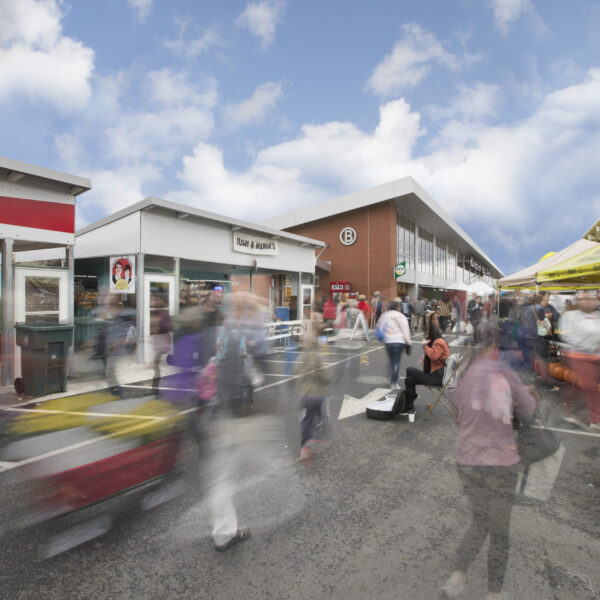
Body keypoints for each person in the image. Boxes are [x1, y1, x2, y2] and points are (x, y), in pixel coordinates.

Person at [440, 319, 536, 600]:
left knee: (481, 519)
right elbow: (528, 409)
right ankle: (494, 593)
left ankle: (457, 577)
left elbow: (455, 411)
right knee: (500, 530)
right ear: (497, 342)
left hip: (467, 459)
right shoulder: (504, 372)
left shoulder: (464, 371)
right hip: (502, 461)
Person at [296, 320, 332, 461]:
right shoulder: (319, 357)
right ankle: (316, 436)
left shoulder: (301, 357)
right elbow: (327, 376)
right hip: (319, 395)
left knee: (306, 420)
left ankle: (305, 447)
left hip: (306, 395)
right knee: (321, 417)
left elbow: (297, 371)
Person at [403, 316, 450, 414]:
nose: (425, 336)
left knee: (409, 369)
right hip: (437, 375)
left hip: (438, 377)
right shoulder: (438, 341)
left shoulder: (439, 342)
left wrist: (424, 346)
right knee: (409, 380)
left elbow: (434, 356)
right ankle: (409, 406)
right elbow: (435, 356)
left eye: (426, 334)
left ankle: (412, 397)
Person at [378, 300, 412, 389]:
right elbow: (405, 329)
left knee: (391, 361)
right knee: (396, 362)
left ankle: (390, 377)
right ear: (398, 307)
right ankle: (394, 383)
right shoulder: (400, 316)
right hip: (399, 341)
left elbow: (380, 327)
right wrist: (408, 341)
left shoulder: (385, 315)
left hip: (388, 341)